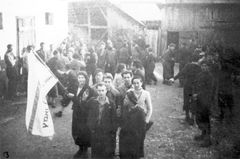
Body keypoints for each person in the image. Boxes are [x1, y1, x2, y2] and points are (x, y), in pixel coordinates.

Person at [63, 71, 96, 158]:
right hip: (76, 113)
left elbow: (84, 103)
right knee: (76, 130)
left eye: (82, 77)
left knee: (84, 132)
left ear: (86, 79)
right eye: (79, 77)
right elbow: (70, 100)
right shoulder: (75, 87)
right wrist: (66, 95)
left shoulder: (89, 89)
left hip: (85, 114)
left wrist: (73, 97)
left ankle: (84, 150)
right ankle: (80, 148)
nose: (80, 79)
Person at [119, 75, 153, 159]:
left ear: (141, 83)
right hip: (130, 119)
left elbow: (149, 109)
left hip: (141, 120)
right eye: (134, 83)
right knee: (130, 138)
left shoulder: (146, 93)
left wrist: (146, 121)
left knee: (139, 138)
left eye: (138, 83)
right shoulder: (129, 92)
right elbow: (124, 105)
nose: (136, 85)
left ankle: (137, 155)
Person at [87, 82, 117, 159]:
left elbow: (114, 119)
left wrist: (112, 131)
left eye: (102, 90)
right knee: (95, 151)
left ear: (106, 91)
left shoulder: (111, 103)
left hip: (106, 132)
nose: (101, 93)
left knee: (105, 151)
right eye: (99, 90)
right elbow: (89, 115)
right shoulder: (93, 101)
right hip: (95, 130)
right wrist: (90, 126)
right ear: (97, 91)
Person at [169, 56, 202, 125]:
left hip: (188, 86)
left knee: (186, 100)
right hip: (195, 87)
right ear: (198, 60)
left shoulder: (188, 66)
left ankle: (187, 116)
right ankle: (193, 118)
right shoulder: (199, 67)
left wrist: (173, 78)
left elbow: (181, 73)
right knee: (193, 100)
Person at [193, 61, 214, 147]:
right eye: (203, 65)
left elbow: (208, 90)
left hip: (206, 101)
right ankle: (203, 134)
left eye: (206, 66)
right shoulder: (200, 74)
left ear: (209, 67)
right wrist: (194, 94)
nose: (204, 67)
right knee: (199, 117)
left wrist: (198, 94)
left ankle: (207, 140)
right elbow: (194, 84)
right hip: (198, 100)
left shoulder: (210, 77)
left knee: (205, 119)